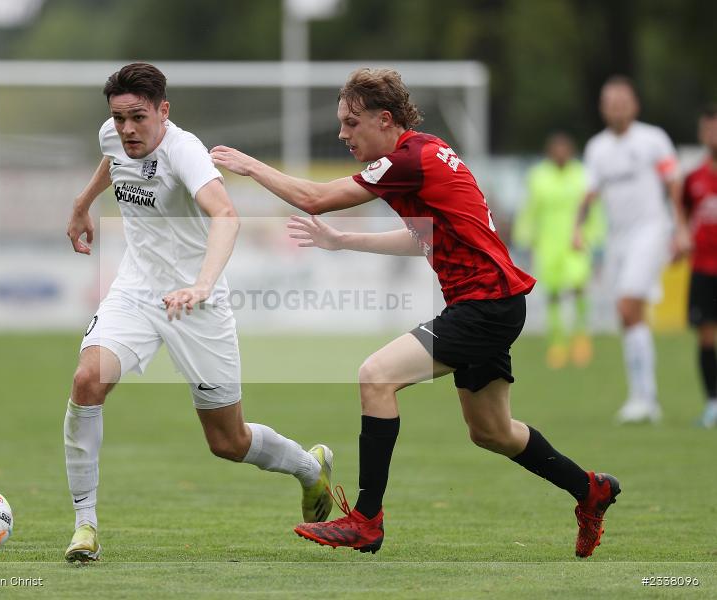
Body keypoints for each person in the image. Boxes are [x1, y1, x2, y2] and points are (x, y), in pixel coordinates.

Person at [211, 67, 619, 558]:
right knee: (491, 431)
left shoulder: (409, 159)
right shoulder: (422, 155)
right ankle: (590, 489)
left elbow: (313, 198)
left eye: (351, 122)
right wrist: (344, 242)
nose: (343, 133)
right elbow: (423, 237)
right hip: (492, 303)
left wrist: (250, 167)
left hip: (485, 305)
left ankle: (366, 519)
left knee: (375, 376)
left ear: (385, 120)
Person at [62, 63, 333, 563]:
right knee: (86, 382)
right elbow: (111, 159)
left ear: (164, 111)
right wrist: (82, 204)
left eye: (137, 118)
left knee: (228, 441)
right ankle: (85, 526)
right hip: (137, 293)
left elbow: (226, 215)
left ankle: (307, 466)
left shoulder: (185, 152)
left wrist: (202, 285)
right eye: (118, 117)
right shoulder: (114, 135)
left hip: (198, 305)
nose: (126, 129)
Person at [574, 76, 686, 424]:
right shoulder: (597, 148)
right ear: (602, 108)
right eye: (610, 101)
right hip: (618, 239)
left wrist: (680, 227)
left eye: (622, 101)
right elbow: (590, 193)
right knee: (628, 315)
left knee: (627, 305)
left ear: (634, 105)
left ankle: (644, 398)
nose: (616, 107)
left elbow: (672, 183)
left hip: (651, 231)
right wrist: (577, 228)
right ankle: (643, 397)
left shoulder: (653, 139)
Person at [514, 133, 604, 369]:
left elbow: (592, 209)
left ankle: (581, 335)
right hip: (548, 243)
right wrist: (523, 236)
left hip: (576, 240)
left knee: (578, 285)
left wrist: (594, 235)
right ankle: (557, 341)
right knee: (552, 292)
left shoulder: (582, 175)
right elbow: (530, 209)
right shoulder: (538, 176)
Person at [679, 106, 717, 427]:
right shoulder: (694, 178)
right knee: (705, 335)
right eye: (708, 129)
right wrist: (680, 237)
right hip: (703, 268)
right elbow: (683, 214)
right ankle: (712, 402)